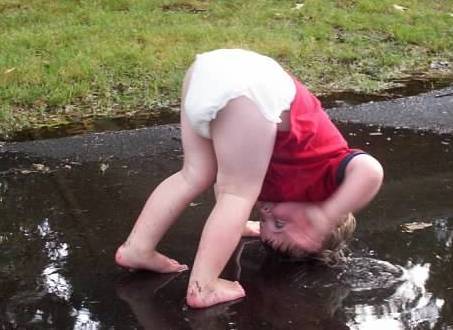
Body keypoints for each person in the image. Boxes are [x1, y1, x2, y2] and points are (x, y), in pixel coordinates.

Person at [115, 49, 384, 309]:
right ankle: (204, 286)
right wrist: (326, 216)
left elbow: (226, 182)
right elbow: (371, 172)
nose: (266, 211)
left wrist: (243, 223)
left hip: (207, 69)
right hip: (251, 88)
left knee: (195, 174)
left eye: (266, 220)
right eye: (278, 221)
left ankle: (137, 248)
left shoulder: (280, 190)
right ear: (319, 205)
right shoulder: (326, 180)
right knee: (238, 193)